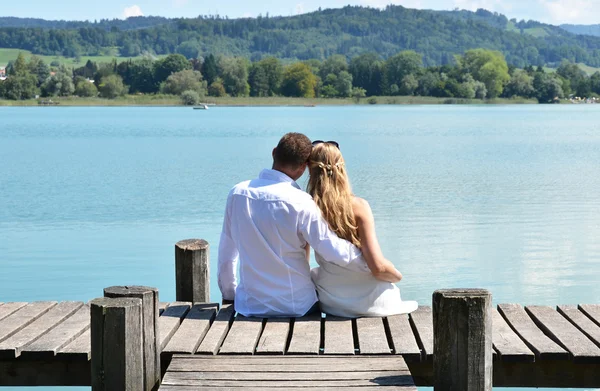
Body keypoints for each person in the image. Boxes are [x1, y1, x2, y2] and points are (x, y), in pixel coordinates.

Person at [218, 132, 374, 318]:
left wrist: (229, 296)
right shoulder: (302, 202)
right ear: (303, 168)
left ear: (274, 152)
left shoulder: (237, 194)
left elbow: (227, 256)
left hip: (250, 307)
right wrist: (371, 264)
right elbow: (332, 250)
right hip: (298, 308)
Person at [308, 140, 418, 318]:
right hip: (373, 303)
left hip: (332, 302)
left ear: (310, 171)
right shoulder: (359, 206)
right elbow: (378, 268)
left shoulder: (306, 207)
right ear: (341, 168)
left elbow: (302, 262)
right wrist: (398, 276)